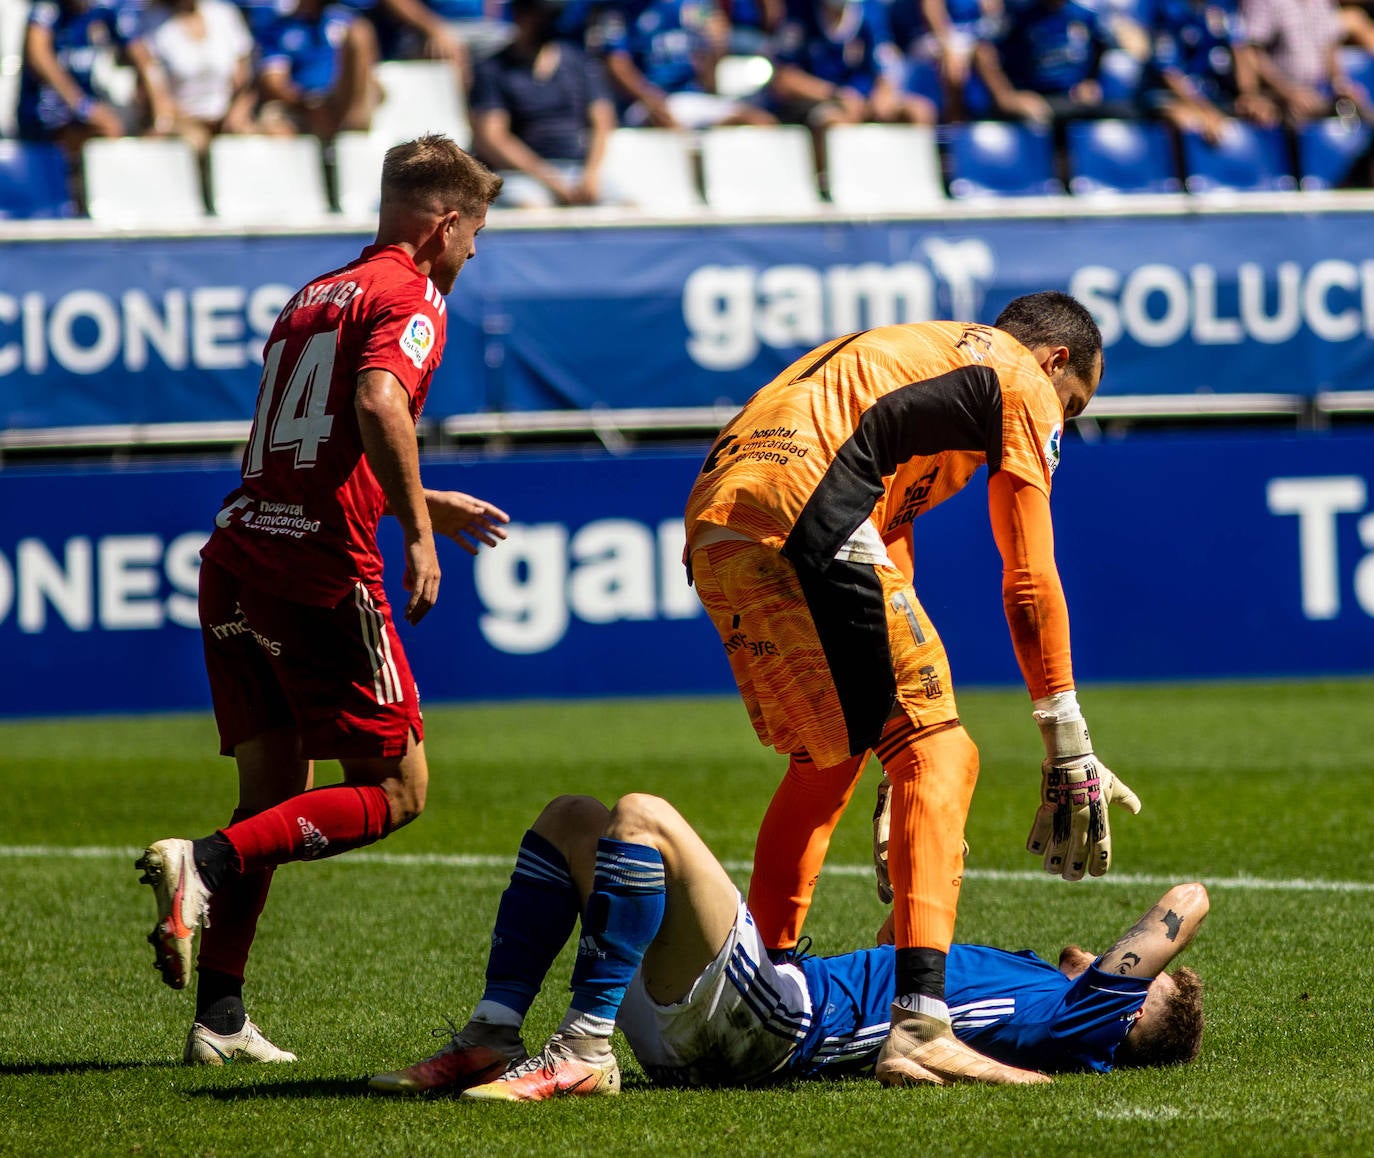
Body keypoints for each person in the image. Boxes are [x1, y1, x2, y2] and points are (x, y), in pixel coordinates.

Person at [680, 292, 1142, 1086]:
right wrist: (1068, 737)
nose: (1063, 426)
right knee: (944, 749)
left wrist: (901, 775)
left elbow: (887, 539)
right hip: (804, 502)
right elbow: (1029, 576)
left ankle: (762, 983)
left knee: (829, 755)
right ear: (1055, 361)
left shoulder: (918, 361)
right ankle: (921, 1024)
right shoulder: (1019, 380)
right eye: (1074, 407)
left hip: (719, 520)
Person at [134, 135, 508, 1066]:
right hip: (318, 578)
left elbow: (310, 444)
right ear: (447, 222)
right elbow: (383, 402)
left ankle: (219, 1017)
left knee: (273, 795)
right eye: (475, 235)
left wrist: (418, 497)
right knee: (396, 789)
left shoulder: (314, 294)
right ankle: (204, 863)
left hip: (236, 556)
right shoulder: (410, 293)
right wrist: (417, 534)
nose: (474, 256)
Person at [369, 792, 1207, 1098]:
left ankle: (585, 1051)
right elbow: (900, 971)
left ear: (1130, 1015)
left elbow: (1187, 900)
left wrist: (1078, 768)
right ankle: (491, 1035)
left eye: (1144, 986)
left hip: (770, 1023)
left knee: (643, 818)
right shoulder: (1025, 992)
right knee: (570, 821)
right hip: (730, 1028)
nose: (1124, 966)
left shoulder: (1082, 1024)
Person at [468, 0, 621, 207]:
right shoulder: (493, 69)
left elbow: (603, 121)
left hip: (580, 170)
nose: (550, 22)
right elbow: (491, 137)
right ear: (519, 15)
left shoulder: (579, 62)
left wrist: (591, 174)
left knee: (628, 207)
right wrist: (551, 180)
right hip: (521, 175)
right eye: (542, 15)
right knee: (528, 206)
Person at [136, 0, 262, 152]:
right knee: (194, 143)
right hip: (182, 120)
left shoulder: (224, 13)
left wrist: (237, 113)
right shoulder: (152, 22)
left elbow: (245, 75)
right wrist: (186, 121)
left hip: (227, 117)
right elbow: (158, 94)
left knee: (248, 140)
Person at [256, 0, 381, 141]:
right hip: (300, 104)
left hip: (342, 100)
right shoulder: (280, 28)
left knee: (360, 34)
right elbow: (274, 81)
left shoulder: (349, 21)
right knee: (274, 128)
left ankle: (350, 128)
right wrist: (306, 104)